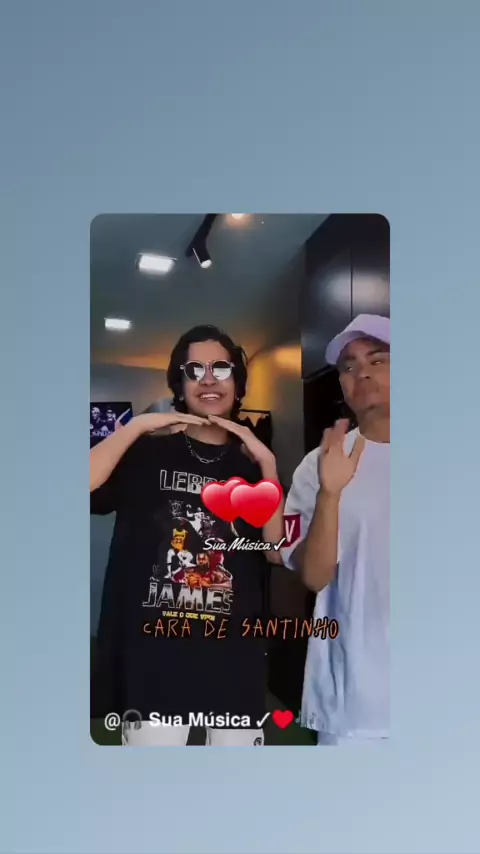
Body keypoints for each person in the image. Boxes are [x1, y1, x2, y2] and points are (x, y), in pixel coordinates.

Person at [90, 325, 284, 746]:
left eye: (221, 368)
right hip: (153, 661)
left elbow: (274, 549)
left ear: (238, 382)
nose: (208, 379)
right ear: (179, 383)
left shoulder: (253, 469)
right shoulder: (145, 452)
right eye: (194, 369)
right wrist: (136, 427)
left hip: (232, 659)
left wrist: (269, 465)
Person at [281, 314, 390, 745]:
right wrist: (330, 493)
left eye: (377, 359)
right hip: (352, 698)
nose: (361, 372)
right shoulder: (320, 463)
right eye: (348, 366)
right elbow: (314, 576)